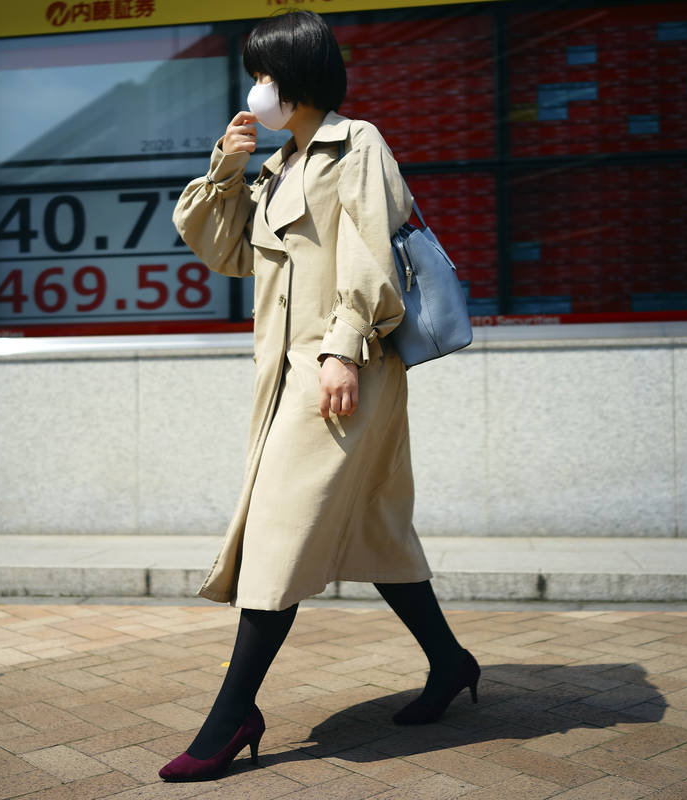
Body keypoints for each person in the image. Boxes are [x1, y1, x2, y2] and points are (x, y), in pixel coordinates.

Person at [160, 9, 479, 783]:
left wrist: (342, 350)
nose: (256, 88)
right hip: (289, 378)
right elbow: (223, 250)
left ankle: (233, 711)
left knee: (278, 530)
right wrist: (227, 166)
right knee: (377, 528)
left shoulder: (355, 142)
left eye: (265, 74)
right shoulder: (276, 167)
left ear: (296, 78)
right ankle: (450, 661)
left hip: (344, 371)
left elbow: (370, 252)